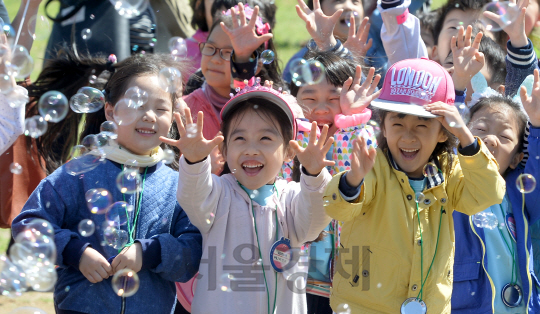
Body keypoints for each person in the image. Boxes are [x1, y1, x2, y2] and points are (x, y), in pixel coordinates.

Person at [11, 53, 202, 314]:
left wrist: (151, 252)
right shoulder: (77, 174)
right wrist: (75, 252)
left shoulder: (178, 185)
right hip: (81, 308)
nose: (149, 116)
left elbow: (192, 250)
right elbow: (27, 224)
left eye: (160, 109)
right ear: (110, 111)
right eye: (137, 104)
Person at [323, 57, 505, 313]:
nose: (408, 136)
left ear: (443, 132)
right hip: (361, 307)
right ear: (383, 127)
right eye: (397, 123)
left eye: (422, 125)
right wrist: (353, 180)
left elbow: (489, 194)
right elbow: (337, 209)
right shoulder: (373, 166)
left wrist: (466, 137)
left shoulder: (449, 171)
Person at [164, 82, 334, 313]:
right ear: (224, 150)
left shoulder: (293, 198)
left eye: (265, 138)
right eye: (240, 139)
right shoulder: (218, 193)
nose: (251, 149)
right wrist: (194, 162)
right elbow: (193, 197)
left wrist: (314, 176)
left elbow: (314, 221)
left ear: (289, 151)